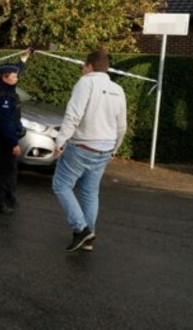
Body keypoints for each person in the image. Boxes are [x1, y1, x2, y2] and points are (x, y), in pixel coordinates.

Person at [52, 50, 127, 252]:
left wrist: (59, 141)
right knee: (90, 192)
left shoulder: (86, 83)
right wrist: (115, 148)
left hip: (82, 146)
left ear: (90, 66)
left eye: (83, 66)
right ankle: (88, 237)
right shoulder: (118, 89)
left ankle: (81, 229)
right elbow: (122, 125)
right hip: (105, 149)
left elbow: (73, 115)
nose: (82, 69)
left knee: (61, 185)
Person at [0, 49, 32, 214]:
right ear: (4, 78)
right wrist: (13, 143)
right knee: (4, 172)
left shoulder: (7, 88)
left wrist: (23, 59)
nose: (17, 78)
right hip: (5, 139)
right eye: (13, 77)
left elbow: (16, 70)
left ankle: (8, 199)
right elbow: (6, 123)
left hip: (8, 137)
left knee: (10, 170)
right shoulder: (4, 97)